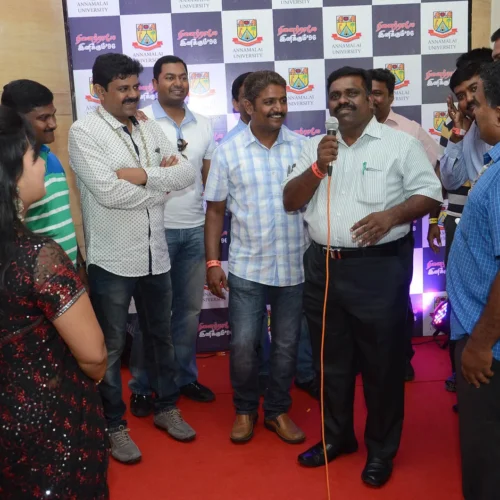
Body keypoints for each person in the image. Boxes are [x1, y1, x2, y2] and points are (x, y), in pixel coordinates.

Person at [284, 67, 442, 487]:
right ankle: (336, 438)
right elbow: (290, 200)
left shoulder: (400, 144)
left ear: (371, 99)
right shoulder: (316, 147)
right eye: (336, 95)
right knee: (330, 364)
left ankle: (381, 451)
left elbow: (430, 194)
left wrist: (392, 216)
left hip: (378, 270)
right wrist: (317, 168)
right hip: (324, 268)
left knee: (382, 367)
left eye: (352, 93)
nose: (343, 101)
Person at [69, 53, 197, 464]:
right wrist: (159, 185)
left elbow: (186, 173)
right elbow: (108, 192)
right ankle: (113, 425)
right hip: (112, 259)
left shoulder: (148, 126)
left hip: (156, 255)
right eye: (121, 89)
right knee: (109, 346)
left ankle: (166, 407)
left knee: (161, 336)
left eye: (134, 87)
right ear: (98, 91)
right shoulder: (83, 132)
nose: (131, 95)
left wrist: (141, 176)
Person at [0, 105, 109, 498]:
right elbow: (94, 354)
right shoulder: (37, 256)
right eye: (34, 157)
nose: (43, 165)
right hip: (47, 421)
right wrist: (94, 378)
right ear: (11, 173)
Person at [204, 70, 309, 444]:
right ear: (248, 106)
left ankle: (277, 411)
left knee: (286, 346)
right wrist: (213, 263)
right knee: (244, 345)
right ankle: (245, 410)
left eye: (283, 100)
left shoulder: (303, 148)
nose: (279, 108)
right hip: (247, 267)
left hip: (294, 265)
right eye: (269, 102)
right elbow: (215, 211)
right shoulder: (227, 151)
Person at [127, 55, 216, 417]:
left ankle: (183, 378)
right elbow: (133, 175)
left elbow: (209, 180)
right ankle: (142, 386)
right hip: (154, 229)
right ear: (155, 84)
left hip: (194, 230)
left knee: (189, 313)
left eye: (183, 77)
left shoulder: (204, 125)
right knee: (152, 315)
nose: (178, 83)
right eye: (169, 77)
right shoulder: (139, 121)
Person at [446, 59, 500, 500]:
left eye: (478, 104)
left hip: (489, 344)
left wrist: (480, 344)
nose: (472, 111)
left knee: (486, 452)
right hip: (482, 330)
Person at [370, 68, 441, 382]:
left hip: (397, 232)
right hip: (355, 235)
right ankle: (367, 360)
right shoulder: (348, 131)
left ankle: (401, 359)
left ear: (391, 96)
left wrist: (432, 218)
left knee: (397, 300)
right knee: (360, 303)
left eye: (378, 93)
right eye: (368, 93)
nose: (372, 99)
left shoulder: (410, 130)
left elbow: (435, 175)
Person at [1, 80, 86, 278]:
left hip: (67, 276)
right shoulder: (9, 172)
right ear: (16, 121)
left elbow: (62, 219)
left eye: (53, 114)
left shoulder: (51, 158)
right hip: (34, 281)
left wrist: (79, 265)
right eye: (43, 118)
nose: (53, 124)